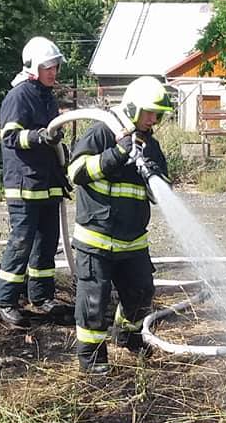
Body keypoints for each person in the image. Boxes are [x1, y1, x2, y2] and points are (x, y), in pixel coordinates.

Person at [65, 76, 172, 376]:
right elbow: (75, 172)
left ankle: (128, 337)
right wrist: (117, 154)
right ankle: (92, 359)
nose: (153, 119)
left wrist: (154, 176)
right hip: (96, 239)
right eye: (149, 112)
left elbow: (162, 193)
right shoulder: (102, 132)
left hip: (133, 241)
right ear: (133, 107)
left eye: (158, 113)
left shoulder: (150, 144)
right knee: (94, 302)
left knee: (140, 292)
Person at [0, 36, 71, 328]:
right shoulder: (19, 96)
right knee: (21, 243)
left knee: (47, 244)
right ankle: (5, 300)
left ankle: (41, 298)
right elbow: (10, 137)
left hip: (47, 184)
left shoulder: (46, 96)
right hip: (24, 186)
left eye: (55, 66)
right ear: (33, 67)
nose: (54, 71)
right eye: (48, 66)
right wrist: (41, 136)